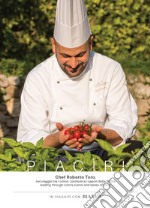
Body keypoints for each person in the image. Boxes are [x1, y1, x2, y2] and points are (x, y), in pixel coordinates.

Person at [17, 0, 139, 157]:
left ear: (90, 43)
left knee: (137, 150)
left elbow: (123, 121)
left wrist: (98, 135)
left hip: (103, 151)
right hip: (54, 155)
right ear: (53, 45)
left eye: (80, 54)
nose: (73, 64)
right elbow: (29, 135)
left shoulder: (110, 69)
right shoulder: (37, 77)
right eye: (65, 55)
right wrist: (58, 138)